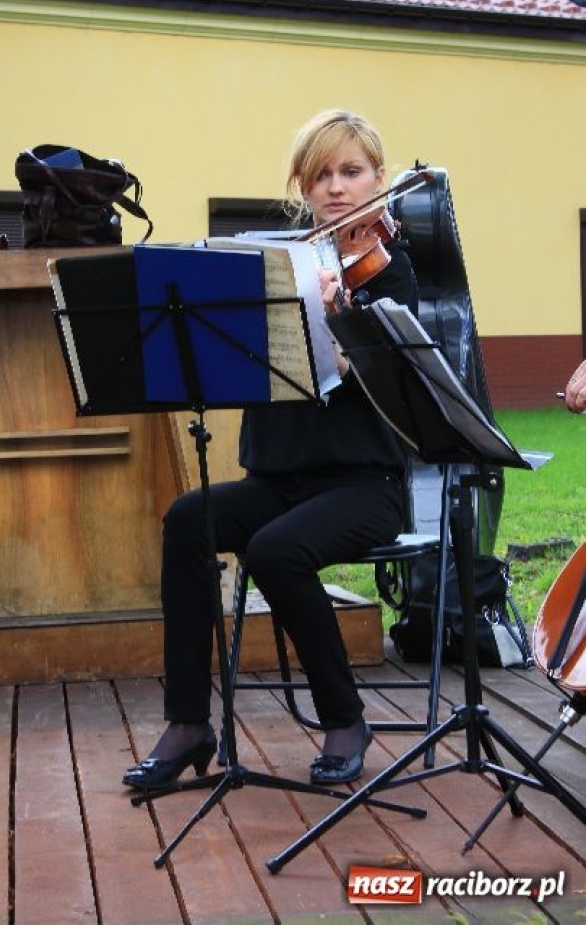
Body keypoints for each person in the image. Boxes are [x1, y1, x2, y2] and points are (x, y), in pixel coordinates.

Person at [123, 108, 419, 790]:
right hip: (278, 478)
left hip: (362, 484)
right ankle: (189, 722)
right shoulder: (273, 266)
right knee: (185, 519)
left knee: (275, 550)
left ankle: (343, 718)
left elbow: (380, 380)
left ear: (378, 178)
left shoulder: (389, 271)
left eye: (351, 172)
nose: (336, 188)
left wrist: (340, 315)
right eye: (321, 175)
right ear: (301, 187)